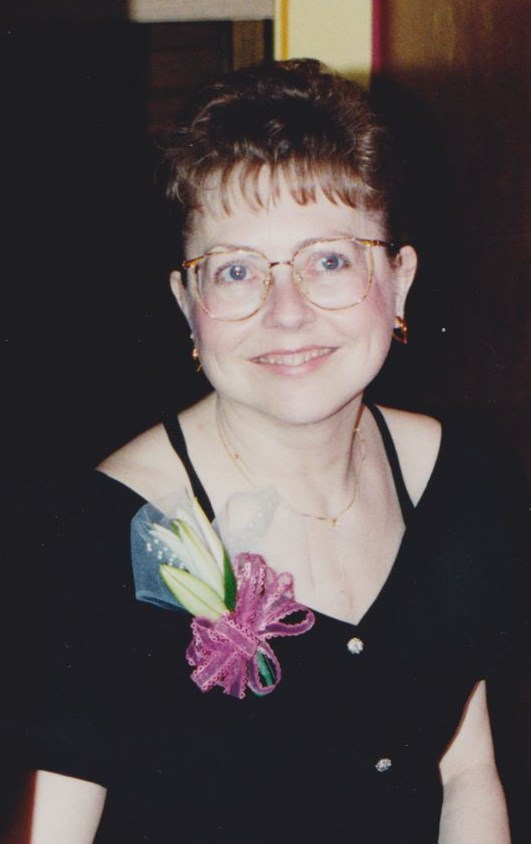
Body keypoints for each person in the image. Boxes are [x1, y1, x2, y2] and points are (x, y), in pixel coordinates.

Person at [12, 59, 515, 843]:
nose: (286, 313)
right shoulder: (92, 535)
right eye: (237, 270)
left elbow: (463, 766)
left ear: (399, 280)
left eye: (329, 260)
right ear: (188, 305)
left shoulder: (463, 480)